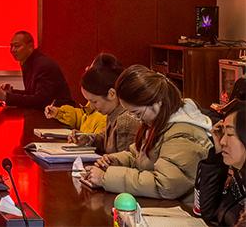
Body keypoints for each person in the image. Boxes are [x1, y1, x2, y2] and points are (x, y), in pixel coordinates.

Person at [82, 64, 212, 203]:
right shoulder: (159, 122)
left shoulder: (183, 134)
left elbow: (166, 184)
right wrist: (115, 160)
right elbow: (139, 156)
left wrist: (105, 178)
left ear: (157, 102)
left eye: (137, 113)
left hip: (180, 209)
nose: (137, 119)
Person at [65, 53, 141, 154]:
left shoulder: (125, 121)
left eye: (94, 101)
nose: (92, 106)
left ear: (111, 94)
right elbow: (104, 139)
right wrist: (86, 138)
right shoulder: (113, 112)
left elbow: (124, 160)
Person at [0, 30, 71, 109]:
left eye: (17, 46)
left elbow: (40, 100)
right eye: (11, 46)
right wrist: (11, 92)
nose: (12, 50)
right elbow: (31, 93)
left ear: (30, 46)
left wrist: (7, 97)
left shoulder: (43, 65)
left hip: (59, 114)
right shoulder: (29, 62)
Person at [194, 101, 245, 226]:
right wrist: (217, 156)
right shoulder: (237, 174)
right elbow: (208, 212)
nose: (222, 141)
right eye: (223, 133)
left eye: (230, 134)